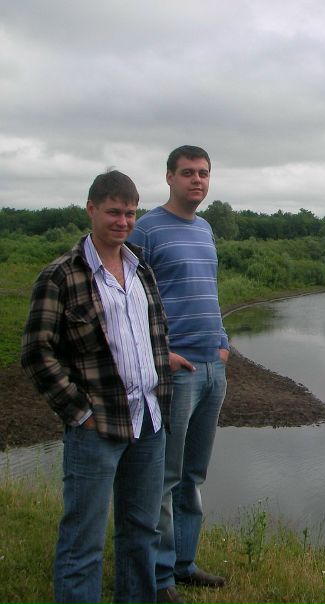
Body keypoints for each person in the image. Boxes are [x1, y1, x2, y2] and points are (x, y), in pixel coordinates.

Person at [21, 171, 172, 604]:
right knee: (82, 539)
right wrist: (80, 413)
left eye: (130, 213)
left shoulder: (142, 269)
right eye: (113, 212)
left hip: (149, 421)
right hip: (96, 427)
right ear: (91, 209)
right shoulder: (61, 275)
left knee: (141, 530)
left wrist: (162, 380)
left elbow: (155, 334)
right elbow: (36, 352)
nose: (123, 221)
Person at [129, 145, 229, 604]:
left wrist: (223, 344)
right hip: (177, 371)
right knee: (166, 477)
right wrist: (160, 354)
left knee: (193, 474)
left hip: (212, 368)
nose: (197, 180)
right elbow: (128, 295)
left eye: (203, 173)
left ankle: (185, 564)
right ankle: (161, 577)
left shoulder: (205, 228)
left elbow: (209, 288)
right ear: (169, 177)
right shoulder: (147, 229)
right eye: (187, 172)